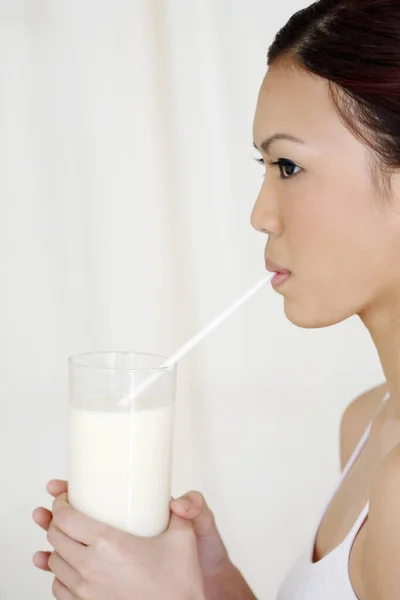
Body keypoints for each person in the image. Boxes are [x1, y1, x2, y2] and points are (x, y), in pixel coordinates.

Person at [32, 0, 400, 598]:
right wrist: (216, 587)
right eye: (264, 166)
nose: (260, 215)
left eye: (288, 165)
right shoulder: (366, 422)